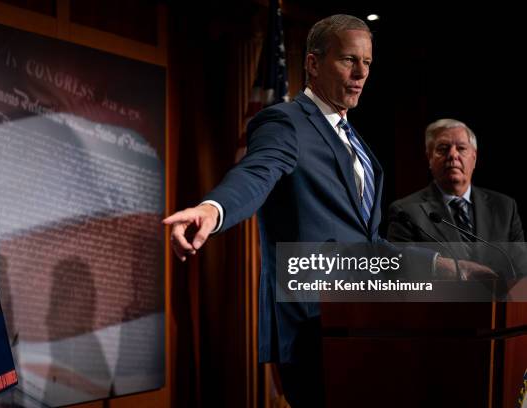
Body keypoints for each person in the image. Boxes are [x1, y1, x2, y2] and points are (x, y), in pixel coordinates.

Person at [164, 16, 490, 407]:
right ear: (314, 64)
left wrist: (446, 266)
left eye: (367, 63)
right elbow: (256, 173)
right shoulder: (285, 123)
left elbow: (369, 246)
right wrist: (212, 209)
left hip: (366, 322)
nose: (360, 73)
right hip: (313, 325)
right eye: (348, 60)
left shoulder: (359, 144)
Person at [387, 118, 525, 255]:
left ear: (474, 157)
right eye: (443, 149)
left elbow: (522, 269)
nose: (453, 155)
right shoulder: (405, 212)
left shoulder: (505, 208)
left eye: (461, 148)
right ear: (429, 158)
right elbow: (402, 266)